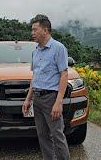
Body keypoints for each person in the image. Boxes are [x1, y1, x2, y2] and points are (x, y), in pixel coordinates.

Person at [22, 15, 70, 160]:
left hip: (51, 98)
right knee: (42, 135)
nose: (32, 33)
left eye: (35, 29)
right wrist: (28, 99)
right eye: (32, 30)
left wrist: (58, 102)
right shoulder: (35, 51)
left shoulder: (58, 48)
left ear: (45, 30)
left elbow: (64, 75)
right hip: (37, 98)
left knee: (57, 135)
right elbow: (35, 77)